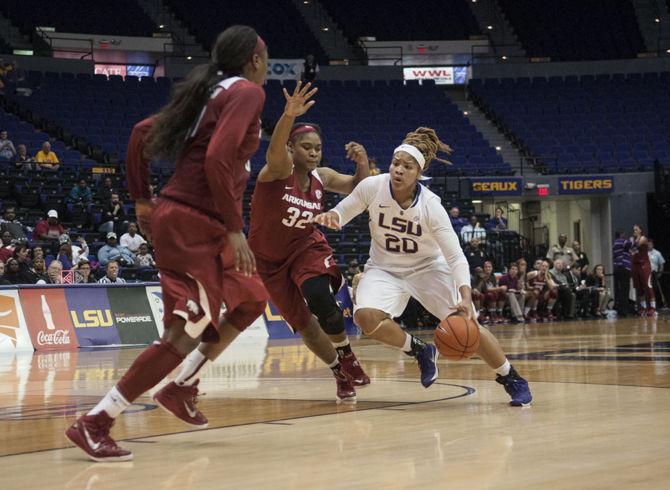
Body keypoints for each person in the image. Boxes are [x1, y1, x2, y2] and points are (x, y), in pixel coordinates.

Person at [66, 25, 270, 462]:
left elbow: (141, 131)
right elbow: (217, 157)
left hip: (197, 222)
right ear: (254, 60)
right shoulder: (248, 93)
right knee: (182, 334)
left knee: (252, 296)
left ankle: (183, 386)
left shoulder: (213, 91)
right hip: (196, 223)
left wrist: (142, 197)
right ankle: (96, 421)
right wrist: (236, 228)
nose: (266, 66)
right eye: (265, 58)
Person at [314, 127, 532, 406]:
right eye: (396, 164)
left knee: (468, 326)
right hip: (384, 268)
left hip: (428, 268)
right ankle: (419, 350)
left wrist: (465, 296)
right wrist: (330, 217)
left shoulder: (431, 206)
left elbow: (456, 257)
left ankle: (511, 377)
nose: (399, 170)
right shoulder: (372, 186)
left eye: (407, 166)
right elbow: (342, 212)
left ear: (419, 173)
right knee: (366, 317)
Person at [245, 81, 370, 402]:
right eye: (306, 147)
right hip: (268, 261)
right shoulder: (275, 172)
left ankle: (347, 355)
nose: (313, 153)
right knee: (305, 325)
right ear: (290, 148)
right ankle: (338, 372)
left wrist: (362, 162)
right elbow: (274, 151)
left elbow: (358, 187)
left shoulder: (323, 176)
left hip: (305, 248)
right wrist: (288, 114)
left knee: (319, 299)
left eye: (317, 148)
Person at [630, 225, 656, 316]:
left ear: (640, 230)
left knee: (648, 286)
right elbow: (631, 250)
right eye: (633, 230)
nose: (634, 231)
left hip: (644, 265)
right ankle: (643, 308)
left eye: (636, 229)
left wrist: (633, 243)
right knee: (639, 288)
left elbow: (636, 246)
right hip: (635, 265)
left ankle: (652, 307)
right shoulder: (633, 239)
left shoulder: (643, 238)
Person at [612, 230, 632, 317]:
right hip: (624, 267)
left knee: (619, 289)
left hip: (617, 268)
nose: (625, 235)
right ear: (621, 235)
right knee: (625, 289)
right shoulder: (621, 241)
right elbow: (631, 244)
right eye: (623, 234)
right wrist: (633, 238)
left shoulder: (614, 244)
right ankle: (623, 311)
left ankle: (619, 309)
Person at [648, 239, 665, 308]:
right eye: (647, 245)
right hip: (646, 274)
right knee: (648, 290)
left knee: (655, 289)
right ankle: (648, 306)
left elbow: (661, 265)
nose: (649, 246)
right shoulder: (644, 253)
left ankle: (657, 306)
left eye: (650, 244)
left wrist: (659, 274)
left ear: (652, 245)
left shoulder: (657, 253)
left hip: (654, 274)